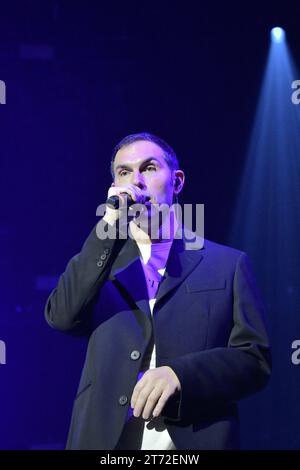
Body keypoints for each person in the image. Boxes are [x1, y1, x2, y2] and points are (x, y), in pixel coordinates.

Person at [45, 132, 271, 450]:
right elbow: (62, 317)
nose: (135, 181)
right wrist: (108, 225)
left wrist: (181, 375)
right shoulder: (99, 264)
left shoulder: (227, 264)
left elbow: (254, 360)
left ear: (176, 181)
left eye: (149, 168)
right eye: (124, 172)